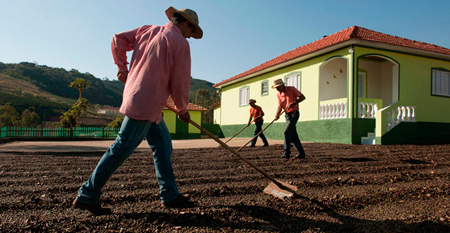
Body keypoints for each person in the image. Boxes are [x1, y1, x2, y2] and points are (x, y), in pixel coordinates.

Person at [72, 6, 203, 216]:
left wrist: (122, 67)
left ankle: (169, 195)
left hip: (139, 96)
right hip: (146, 103)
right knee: (121, 148)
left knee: (162, 146)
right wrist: (182, 108)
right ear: (186, 23)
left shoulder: (148, 29)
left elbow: (118, 39)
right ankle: (87, 195)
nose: (191, 36)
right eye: (192, 30)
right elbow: (180, 81)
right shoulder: (179, 43)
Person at [273, 79, 307, 159]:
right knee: (293, 135)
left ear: (282, 85)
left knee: (287, 132)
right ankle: (301, 154)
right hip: (287, 115)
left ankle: (286, 153)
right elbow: (280, 106)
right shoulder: (278, 94)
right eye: (276, 88)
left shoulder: (291, 89)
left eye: (277, 87)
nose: (276, 89)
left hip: (294, 113)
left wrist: (294, 103)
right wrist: (276, 115)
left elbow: (303, 97)